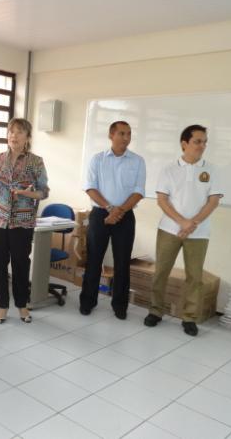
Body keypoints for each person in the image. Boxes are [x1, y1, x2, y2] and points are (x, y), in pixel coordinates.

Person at [144, 125, 223, 336]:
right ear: (184, 144)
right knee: (161, 271)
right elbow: (162, 200)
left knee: (194, 277)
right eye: (198, 141)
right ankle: (156, 311)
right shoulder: (169, 169)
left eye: (205, 142)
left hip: (199, 233)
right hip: (169, 229)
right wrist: (182, 222)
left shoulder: (212, 169)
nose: (202, 146)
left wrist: (192, 223)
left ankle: (189, 317)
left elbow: (213, 201)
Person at [0, 118, 49, 324]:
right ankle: (2, 306)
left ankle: (22, 305)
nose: (13, 136)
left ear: (27, 137)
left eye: (19, 132)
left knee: (20, 264)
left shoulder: (36, 162)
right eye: (11, 132)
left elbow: (44, 192)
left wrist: (28, 193)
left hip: (22, 221)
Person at [79, 121, 146, 320]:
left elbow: (139, 191)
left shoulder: (137, 161)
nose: (126, 138)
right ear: (111, 135)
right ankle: (87, 302)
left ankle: (120, 306)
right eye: (122, 133)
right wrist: (109, 208)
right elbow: (90, 187)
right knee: (93, 260)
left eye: (129, 134)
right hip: (100, 214)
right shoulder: (97, 159)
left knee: (122, 263)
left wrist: (120, 211)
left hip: (125, 217)